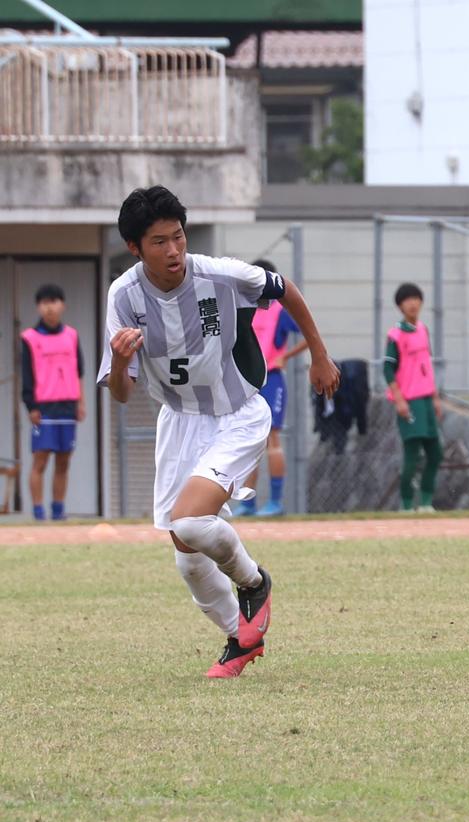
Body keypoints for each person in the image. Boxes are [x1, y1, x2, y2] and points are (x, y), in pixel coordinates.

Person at [98, 186, 339, 678]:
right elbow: (121, 394)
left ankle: (254, 584)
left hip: (238, 414)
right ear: (135, 248)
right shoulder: (123, 296)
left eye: (179, 237)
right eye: (160, 242)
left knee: (188, 523)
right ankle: (240, 637)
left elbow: (284, 289)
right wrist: (121, 362)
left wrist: (319, 353)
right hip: (178, 422)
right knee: (186, 558)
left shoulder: (221, 274)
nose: (173, 251)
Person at [234, 259, 307, 517]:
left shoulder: (279, 309)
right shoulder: (245, 307)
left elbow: (308, 334)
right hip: (247, 381)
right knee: (250, 442)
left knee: (272, 439)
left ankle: (275, 502)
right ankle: (247, 502)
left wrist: (284, 357)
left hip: (272, 379)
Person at [20, 283, 85, 521]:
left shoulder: (72, 335)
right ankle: (39, 514)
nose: (50, 307)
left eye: (54, 301)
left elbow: (79, 372)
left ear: (63, 305)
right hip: (43, 407)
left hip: (68, 406)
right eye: (45, 303)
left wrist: (81, 403)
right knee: (40, 460)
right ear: (38, 307)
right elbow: (26, 375)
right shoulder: (29, 338)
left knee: (64, 461)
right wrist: (31, 406)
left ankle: (58, 512)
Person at [385, 283, 443, 512]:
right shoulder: (396, 335)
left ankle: (427, 503)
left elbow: (426, 365)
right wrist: (399, 399)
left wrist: (435, 397)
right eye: (406, 300)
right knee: (412, 454)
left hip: (427, 399)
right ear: (400, 306)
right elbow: (388, 369)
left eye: (415, 298)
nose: (412, 303)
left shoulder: (423, 329)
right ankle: (407, 504)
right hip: (410, 401)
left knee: (435, 453)